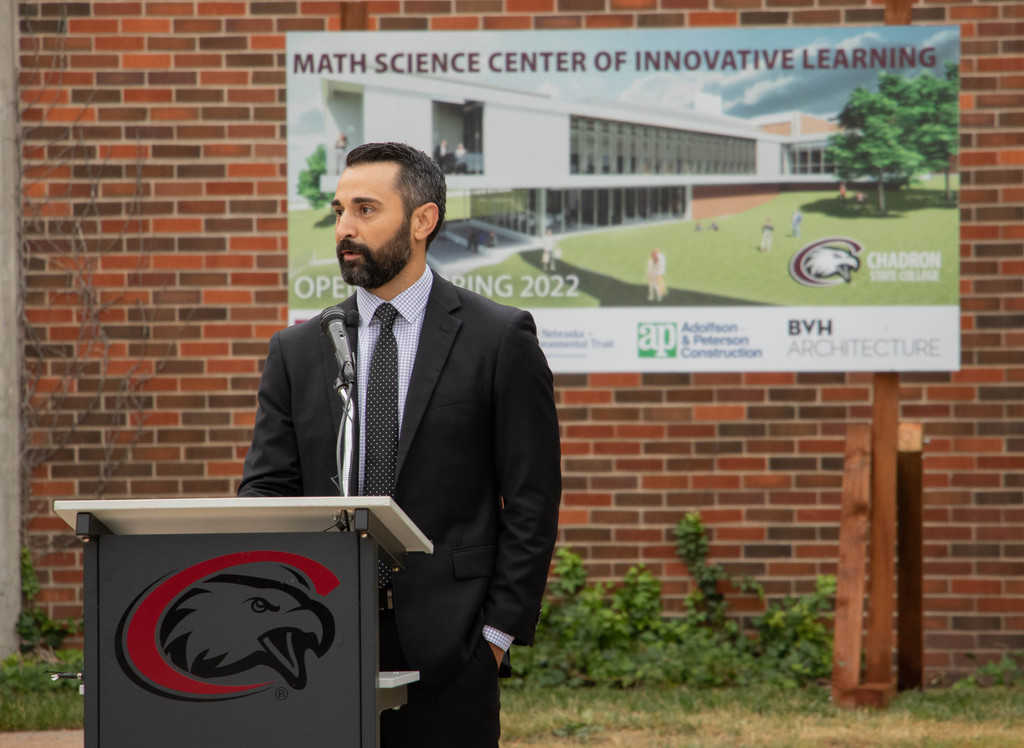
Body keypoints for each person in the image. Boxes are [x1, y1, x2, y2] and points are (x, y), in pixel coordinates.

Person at [238, 142, 561, 747]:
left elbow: (532, 500)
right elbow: (266, 491)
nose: (344, 229)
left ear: (422, 221)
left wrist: (494, 638)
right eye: (338, 211)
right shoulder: (299, 351)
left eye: (365, 209)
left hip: (452, 646)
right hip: (313, 641)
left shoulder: (498, 339)